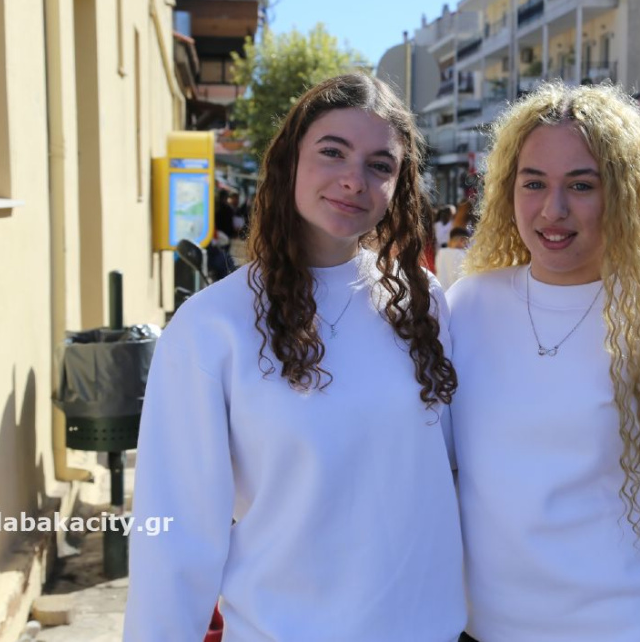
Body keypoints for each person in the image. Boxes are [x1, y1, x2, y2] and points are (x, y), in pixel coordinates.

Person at [123, 73, 465, 641]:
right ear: (291, 160)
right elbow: (175, 534)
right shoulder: (212, 326)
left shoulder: (422, 302)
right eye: (333, 151)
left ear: (399, 185)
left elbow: (446, 475)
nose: (353, 179)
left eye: (380, 164)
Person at [448, 82, 640, 642]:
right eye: (534, 182)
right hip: (484, 628)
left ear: (623, 195)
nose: (554, 209)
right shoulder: (466, 306)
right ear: (506, 190)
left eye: (581, 185)